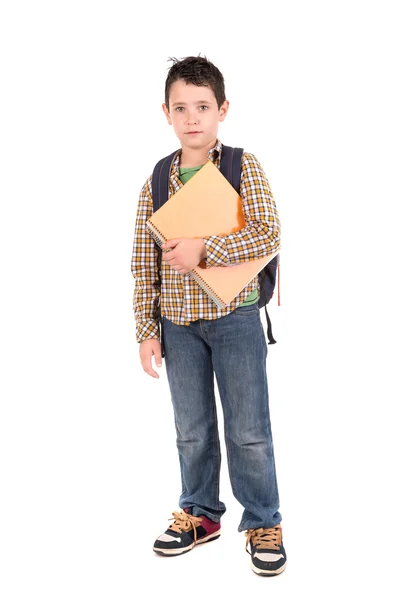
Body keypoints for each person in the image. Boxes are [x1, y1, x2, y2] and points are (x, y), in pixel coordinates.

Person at [131, 55, 286, 576]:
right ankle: (199, 513)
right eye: (181, 108)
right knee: (191, 428)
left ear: (222, 109)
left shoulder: (244, 166)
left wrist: (206, 249)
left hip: (236, 317)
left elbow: (268, 235)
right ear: (166, 114)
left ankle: (263, 518)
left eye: (202, 106)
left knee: (248, 429)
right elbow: (142, 262)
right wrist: (147, 331)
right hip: (178, 325)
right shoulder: (156, 180)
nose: (192, 117)